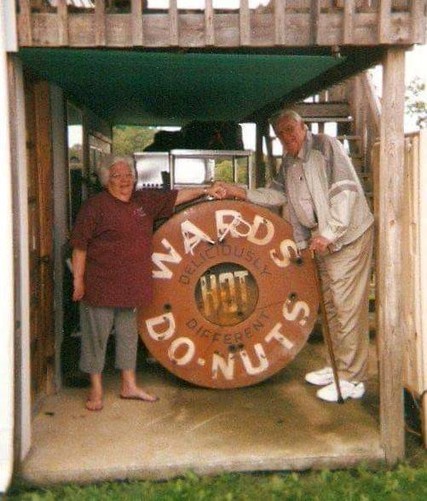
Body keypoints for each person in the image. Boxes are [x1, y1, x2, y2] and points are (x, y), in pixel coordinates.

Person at [216, 109, 374, 403]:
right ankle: (335, 366)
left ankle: (353, 378)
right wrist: (239, 192)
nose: (287, 137)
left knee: (346, 307)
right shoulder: (289, 160)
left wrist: (330, 233)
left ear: (303, 127)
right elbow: (277, 194)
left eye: (291, 130)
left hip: (347, 238)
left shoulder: (327, 147)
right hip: (321, 240)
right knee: (329, 305)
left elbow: (346, 192)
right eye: (281, 134)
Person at [71, 155, 225, 411]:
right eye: (118, 176)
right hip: (100, 285)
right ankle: (96, 389)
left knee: (129, 337)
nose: (124, 181)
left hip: (133, 285)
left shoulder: (144, 200)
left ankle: (128, 385)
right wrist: (78, 280)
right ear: (106, 180)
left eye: (128, 175)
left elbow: (177, 196)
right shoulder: (94, 207)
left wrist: (207, 190)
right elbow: (80, 246)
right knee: (95, 338)